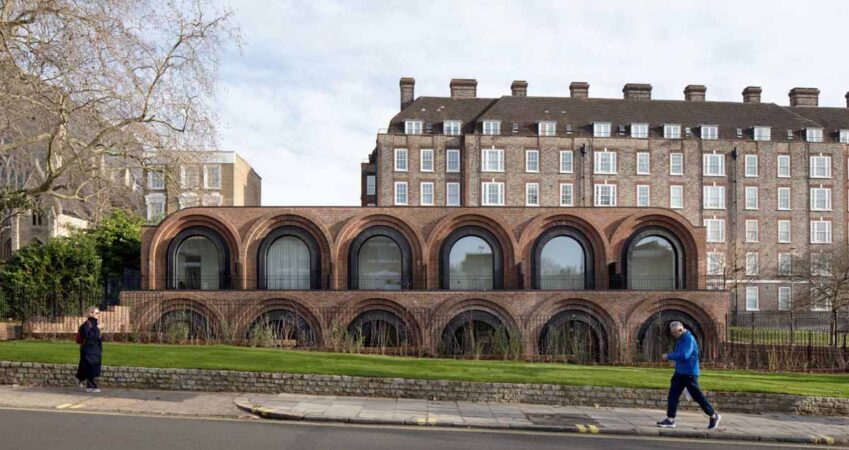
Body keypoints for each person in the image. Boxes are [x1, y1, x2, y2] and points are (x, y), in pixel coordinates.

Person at [656, 321, 720, 430]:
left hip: (689, 373)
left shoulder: (688, 339)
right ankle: (670, 419)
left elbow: (685, 355)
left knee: (698, 397)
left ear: (681, 330)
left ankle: (714, 415)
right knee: (673, 395)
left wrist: (669, 356)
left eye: (675, 333)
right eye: (672, 333)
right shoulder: (681, 339)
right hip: (679, 373)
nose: (673, 335)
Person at [75, 306, 103, 393]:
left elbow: (97, 337)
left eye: (99, 313)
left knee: (87, 366)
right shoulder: (86, 325)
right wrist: (98, 328)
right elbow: (89, 336)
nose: (98, 315)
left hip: (95, 349)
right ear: (90, 314)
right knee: (91, 366)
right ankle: (91, 386)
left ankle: (79, 378)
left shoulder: (95, 324)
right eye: (96, 313)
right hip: (88, 349)